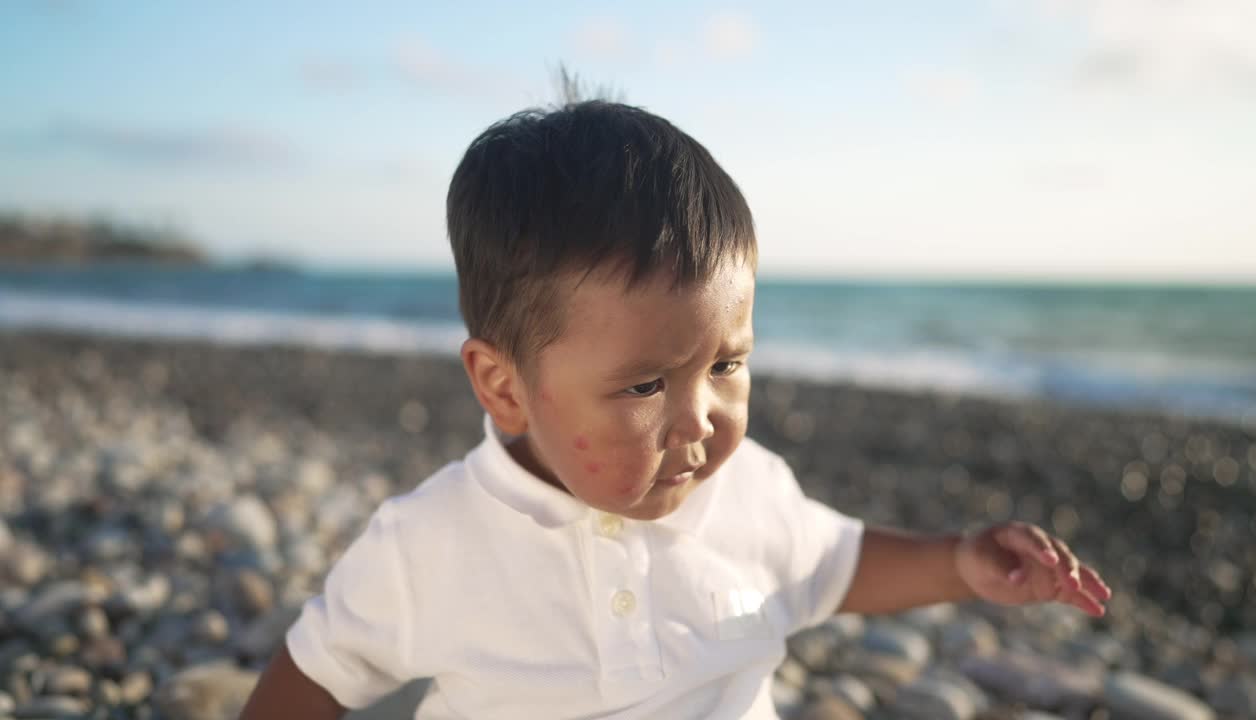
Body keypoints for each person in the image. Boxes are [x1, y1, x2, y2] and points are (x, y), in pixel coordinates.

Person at [238, 100, 1110, 719]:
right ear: (504, 386)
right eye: (646, 385)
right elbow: (315, 677)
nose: (702, 422)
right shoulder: (430, 546)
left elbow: (835, 565)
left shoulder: (749, 492)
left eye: (727, 363)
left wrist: (958, 564)